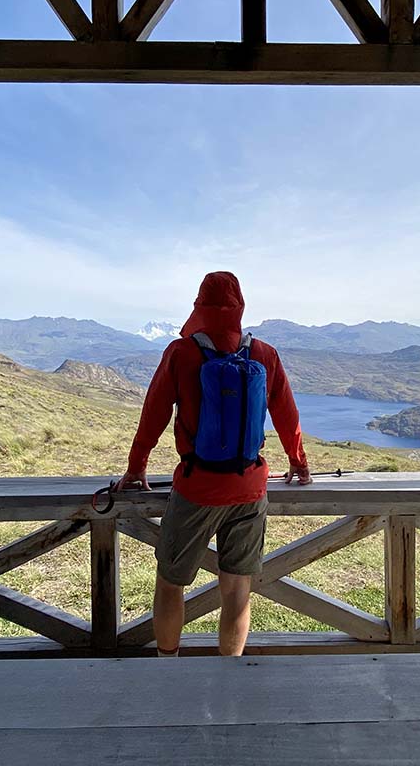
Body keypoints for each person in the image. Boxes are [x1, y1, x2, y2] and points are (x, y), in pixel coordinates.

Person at [115, 271, 311, 657]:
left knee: (171, 582)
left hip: (197, 489)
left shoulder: (181, 352)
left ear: (199, 306)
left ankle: (168, 666)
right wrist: (298, 462)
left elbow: (153, 414)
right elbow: (288, 416)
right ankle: (228, 674)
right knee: (237, 590)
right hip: (250, 489)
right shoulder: (264, 354)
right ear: (240, 307)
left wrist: (137, 466)